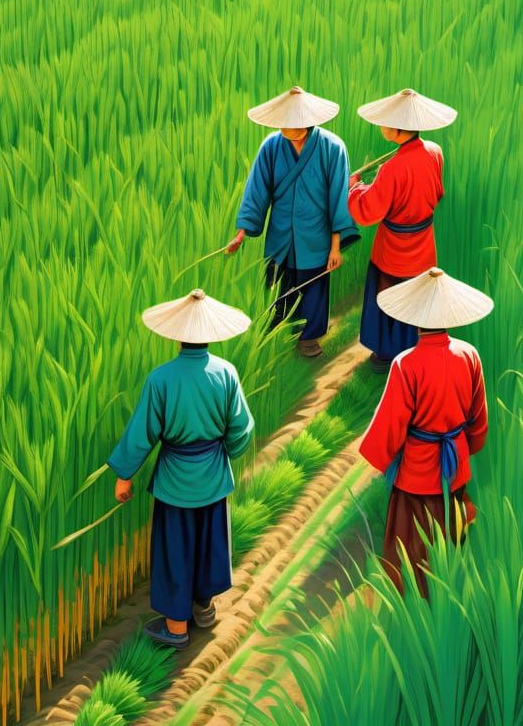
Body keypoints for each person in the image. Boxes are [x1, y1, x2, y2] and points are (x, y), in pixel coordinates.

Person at [108, 289, 254, 648]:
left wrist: (124, 476)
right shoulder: (226, 373)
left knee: (175, 548)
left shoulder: (161, 378)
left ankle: (176, 629)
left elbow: (144, 432)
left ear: (177, 334)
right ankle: (203, 608)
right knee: (209, 542)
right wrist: (225, 455)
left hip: (175, 478)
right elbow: (241, 427)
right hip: (214, 476)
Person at [358, 267, 490, 597]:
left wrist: (377, 456)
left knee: (410, 550)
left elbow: (391, 424)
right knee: (452, 538)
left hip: (417, 473)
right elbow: (478, 419)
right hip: (453, 466)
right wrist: (466, 448)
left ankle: (413, 606)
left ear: (416, 318)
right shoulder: (469, 355)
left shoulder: (407, 363)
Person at [226, 86, 360, 358]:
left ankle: (308, 339)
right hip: (281, 236)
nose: (292, 138)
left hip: (316, 235)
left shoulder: (333, 148)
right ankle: (275, 337)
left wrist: (335, 247)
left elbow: (338, 198)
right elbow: (257, 191)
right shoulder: (271, 147)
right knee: (278, 288)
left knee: (312, 287)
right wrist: (241, 234)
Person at [347, 88, 456, 372]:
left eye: (385, 122)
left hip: (394, 246)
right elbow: (435, 192)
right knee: (417, 296)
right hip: (423, 242)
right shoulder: (434, 152)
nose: (382, 126)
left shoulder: (392, 168)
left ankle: (386, 356)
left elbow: (368, 211)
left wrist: (355, 188)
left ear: (396, 129)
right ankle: (415, 352)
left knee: (389, 295)